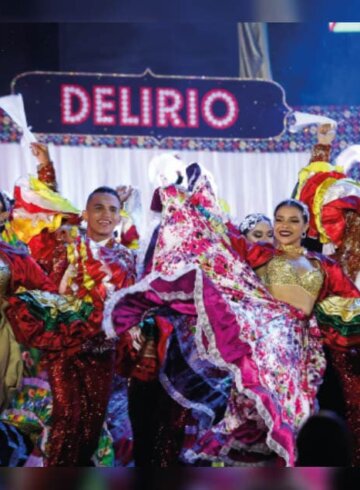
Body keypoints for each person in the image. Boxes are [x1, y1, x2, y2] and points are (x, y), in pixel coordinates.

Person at [104, 170, 359, 467]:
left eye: (294, 220)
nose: (285, 226)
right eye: (280, 220)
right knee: (251, 427)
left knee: (297, 420)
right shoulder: (260, 255)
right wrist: (187, 202)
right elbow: (219, 238)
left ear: (305, 227)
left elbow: (349, 302)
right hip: (261, 350)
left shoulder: (324, 266)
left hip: (304, 355)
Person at [6, 185, 136, 466]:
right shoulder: (66, 246)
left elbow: (131, 302)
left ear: (119, 216)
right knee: (67, 418)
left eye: (113, 209)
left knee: (91, 426)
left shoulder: (127, 257)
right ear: (86, 213)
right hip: (66, 347)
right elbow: (48, 289)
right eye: (98, 208)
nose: (106, 215)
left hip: (103, 350)